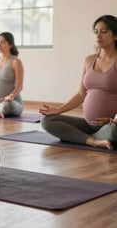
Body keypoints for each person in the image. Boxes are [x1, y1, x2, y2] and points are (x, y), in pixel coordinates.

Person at [39, 14, 117, 150]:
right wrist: (58, 110)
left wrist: (114, 119)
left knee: (114, 131)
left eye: (104, 32)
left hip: (111, 125)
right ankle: (93, 141)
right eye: (96, 32)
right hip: (88, 124)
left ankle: (87, 137)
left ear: (115, 36)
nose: (98, 36)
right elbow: (81, 94)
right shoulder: (89, 60)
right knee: (47, 121)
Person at [0, 32, 24, 118]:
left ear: (10, 45)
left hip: (11, 102)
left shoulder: (16, 62)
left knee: (8, 105)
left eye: (3, 42)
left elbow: (19, 86)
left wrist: (9, 97)